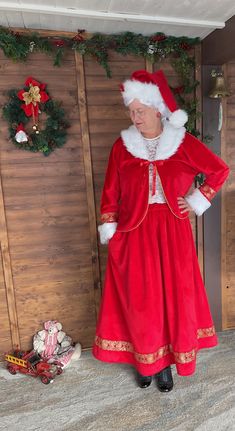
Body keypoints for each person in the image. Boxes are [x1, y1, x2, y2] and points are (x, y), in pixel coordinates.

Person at [92, 69, 230, 392]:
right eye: (131, 111)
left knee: (171, 299)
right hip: (133, 232)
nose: (134, 116)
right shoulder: (121, 147)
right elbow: (110, 191)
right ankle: (145, 361)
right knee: (141, 300)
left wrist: (195, 201)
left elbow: (218, 171)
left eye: (139, 111)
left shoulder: (180, 143)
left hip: (172, 231)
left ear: (157, 110)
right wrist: (110, 228)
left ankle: (165, 364)